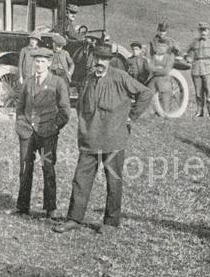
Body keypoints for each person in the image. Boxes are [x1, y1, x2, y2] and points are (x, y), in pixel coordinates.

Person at [54, 43, 154, 234]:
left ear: (110, 60)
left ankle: (111, 222)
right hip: (90, 139)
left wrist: (131, 116)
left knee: (113, 181)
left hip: (113, 140)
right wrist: (83, 129)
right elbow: (81, 107)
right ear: (93, 58)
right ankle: (74, 218)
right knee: (80, 180)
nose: (100, 62)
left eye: (104, 59)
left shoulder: (121, 77)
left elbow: (146, 93)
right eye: (97, 58)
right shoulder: (88, 79)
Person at [13, 47, 70, 218]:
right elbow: (20, 107)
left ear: (49, 63)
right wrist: (21, 124)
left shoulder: (58, 82)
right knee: (24, 168)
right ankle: (22, 207)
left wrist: (54, 127)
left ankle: (50, 208)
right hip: (27, 133)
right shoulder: (28, 82)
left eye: (42, 61)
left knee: (48, 167)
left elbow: (65, 110)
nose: (38, 64)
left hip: (47, 134)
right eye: (36, 61)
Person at [185, 22, 210, 118]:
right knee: (198, 92)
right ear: (199, 31)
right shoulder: (194, 42)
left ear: (208, 31)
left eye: (205, 30)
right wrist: (187, 58)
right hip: (196, 69)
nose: (203, 32)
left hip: (209, 69)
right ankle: (199, 111)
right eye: (201, 30)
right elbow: (185, 51)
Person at [142, 38, 174, 113]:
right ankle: (150, 111)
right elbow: (149, 68)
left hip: (164, 79)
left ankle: (166, 114)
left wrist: (155, 69)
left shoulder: (169, 57)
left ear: (166, 48)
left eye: (163, 47)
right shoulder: (154, 57)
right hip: (154, 79)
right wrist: (158, 69)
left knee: (165, 97)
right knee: (147, 93)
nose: (160, 48)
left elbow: (166, 70)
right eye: (159, 46)